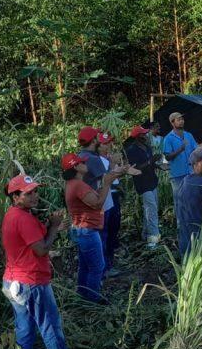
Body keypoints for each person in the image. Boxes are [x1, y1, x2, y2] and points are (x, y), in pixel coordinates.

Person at [1, 174, 73, 349]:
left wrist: (52, 227)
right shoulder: (24, 219)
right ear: (15, 197)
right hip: (31, 283)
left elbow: (32, 240)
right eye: (28, 193)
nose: (35, 196)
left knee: (24, 329)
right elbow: (41, 249)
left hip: (13, 282)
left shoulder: (13, 214)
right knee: (50, 326)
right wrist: (54, 227)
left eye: (35, 191)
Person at [63, 153, 120, 301]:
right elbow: (97, 203)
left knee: (85, 265)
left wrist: (106, 181)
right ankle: (93, 299)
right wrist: (107, 184)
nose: (85, 164)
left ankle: (82, 294)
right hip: (87, 230)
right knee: (97, 266)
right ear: (76, 167)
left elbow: (94, 198)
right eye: (82, 163)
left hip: (82, 229)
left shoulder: (73, 184)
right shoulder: (78, 185)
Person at [124, 125, 161, 248]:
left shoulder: (147, 147)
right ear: (137, 136)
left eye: (145, 133)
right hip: (142, 184)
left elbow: (151, 164)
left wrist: (158, 165)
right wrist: (150, 161)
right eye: (143, 134)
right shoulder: (131, 150)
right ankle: (153, 239)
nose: (145, 136)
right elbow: (135, 168)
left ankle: (145, 234)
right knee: (151, 210)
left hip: (152, 181)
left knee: (150, 209)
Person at [96, 132, 123, 275]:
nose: (109, 145)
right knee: (105, 231)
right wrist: (113, 165)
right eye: (105, 143)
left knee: (113, 228)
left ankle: (110, 262)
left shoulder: (109, 158)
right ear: (98, 146)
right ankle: (105, 266)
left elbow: (116, 176)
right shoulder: (97, 161)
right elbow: (105, 179)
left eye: (109, 142)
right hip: (106, 196)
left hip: (114, 195)